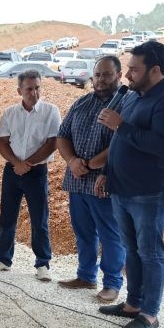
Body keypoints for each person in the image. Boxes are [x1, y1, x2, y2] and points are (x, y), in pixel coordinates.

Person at [95, 41, 164, 328]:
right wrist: (106, 173)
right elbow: (120, 141)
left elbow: (162, 145)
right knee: (132, 250)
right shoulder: (135, 96)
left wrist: (121, 125)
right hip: (122, 187)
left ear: (156, 70)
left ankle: (150, 314)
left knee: (150, 252)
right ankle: (133, 304)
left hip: (149, 191)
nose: (127, 75)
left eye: (134, 70)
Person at [55, 56, 126, 302]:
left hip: (104, 182)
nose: (101, 79)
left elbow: (124, 140)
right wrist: (72, 161)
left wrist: (94, 163)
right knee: (83, 232)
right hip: (77, 180)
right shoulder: (81, 102)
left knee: (110, 234)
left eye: (107, 74)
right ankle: (85, 276)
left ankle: (112, 283)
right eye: (97, 75)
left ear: (119, 75)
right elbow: (62, 136)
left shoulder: (127, 104)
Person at [0, 70, 61, 281]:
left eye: (37, 88)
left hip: (37, 172)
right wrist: (16, 163)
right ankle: (3, 259)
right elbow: (2, 143)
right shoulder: (9, 113)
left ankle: (43, 263)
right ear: (19, 91)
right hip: (12, 171)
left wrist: (27, 164)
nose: (34, 93)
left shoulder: (51, 111)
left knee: (39, 218)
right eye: (29, 89)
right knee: (7, 216)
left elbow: (52, 143)